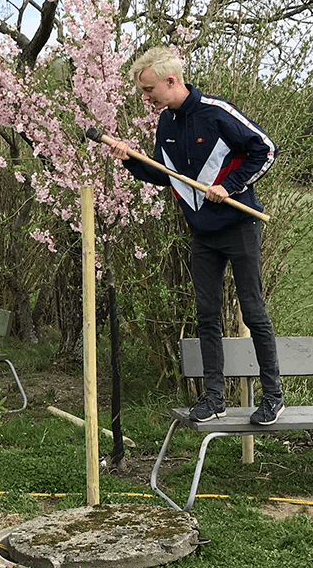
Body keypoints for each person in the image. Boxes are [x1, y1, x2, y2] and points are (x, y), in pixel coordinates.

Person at [110, 46, 284, 426]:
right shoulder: (166, 124)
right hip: (202, 235)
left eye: (149, 89)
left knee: (253, 311)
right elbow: (163, 174)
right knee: (207, 315)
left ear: (172, 81)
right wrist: (130, 161)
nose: (145, 97)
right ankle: (215, 398)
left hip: (239, 228)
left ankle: (273, 396)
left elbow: (265, 150)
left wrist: (232, 185)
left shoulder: (217, 113)